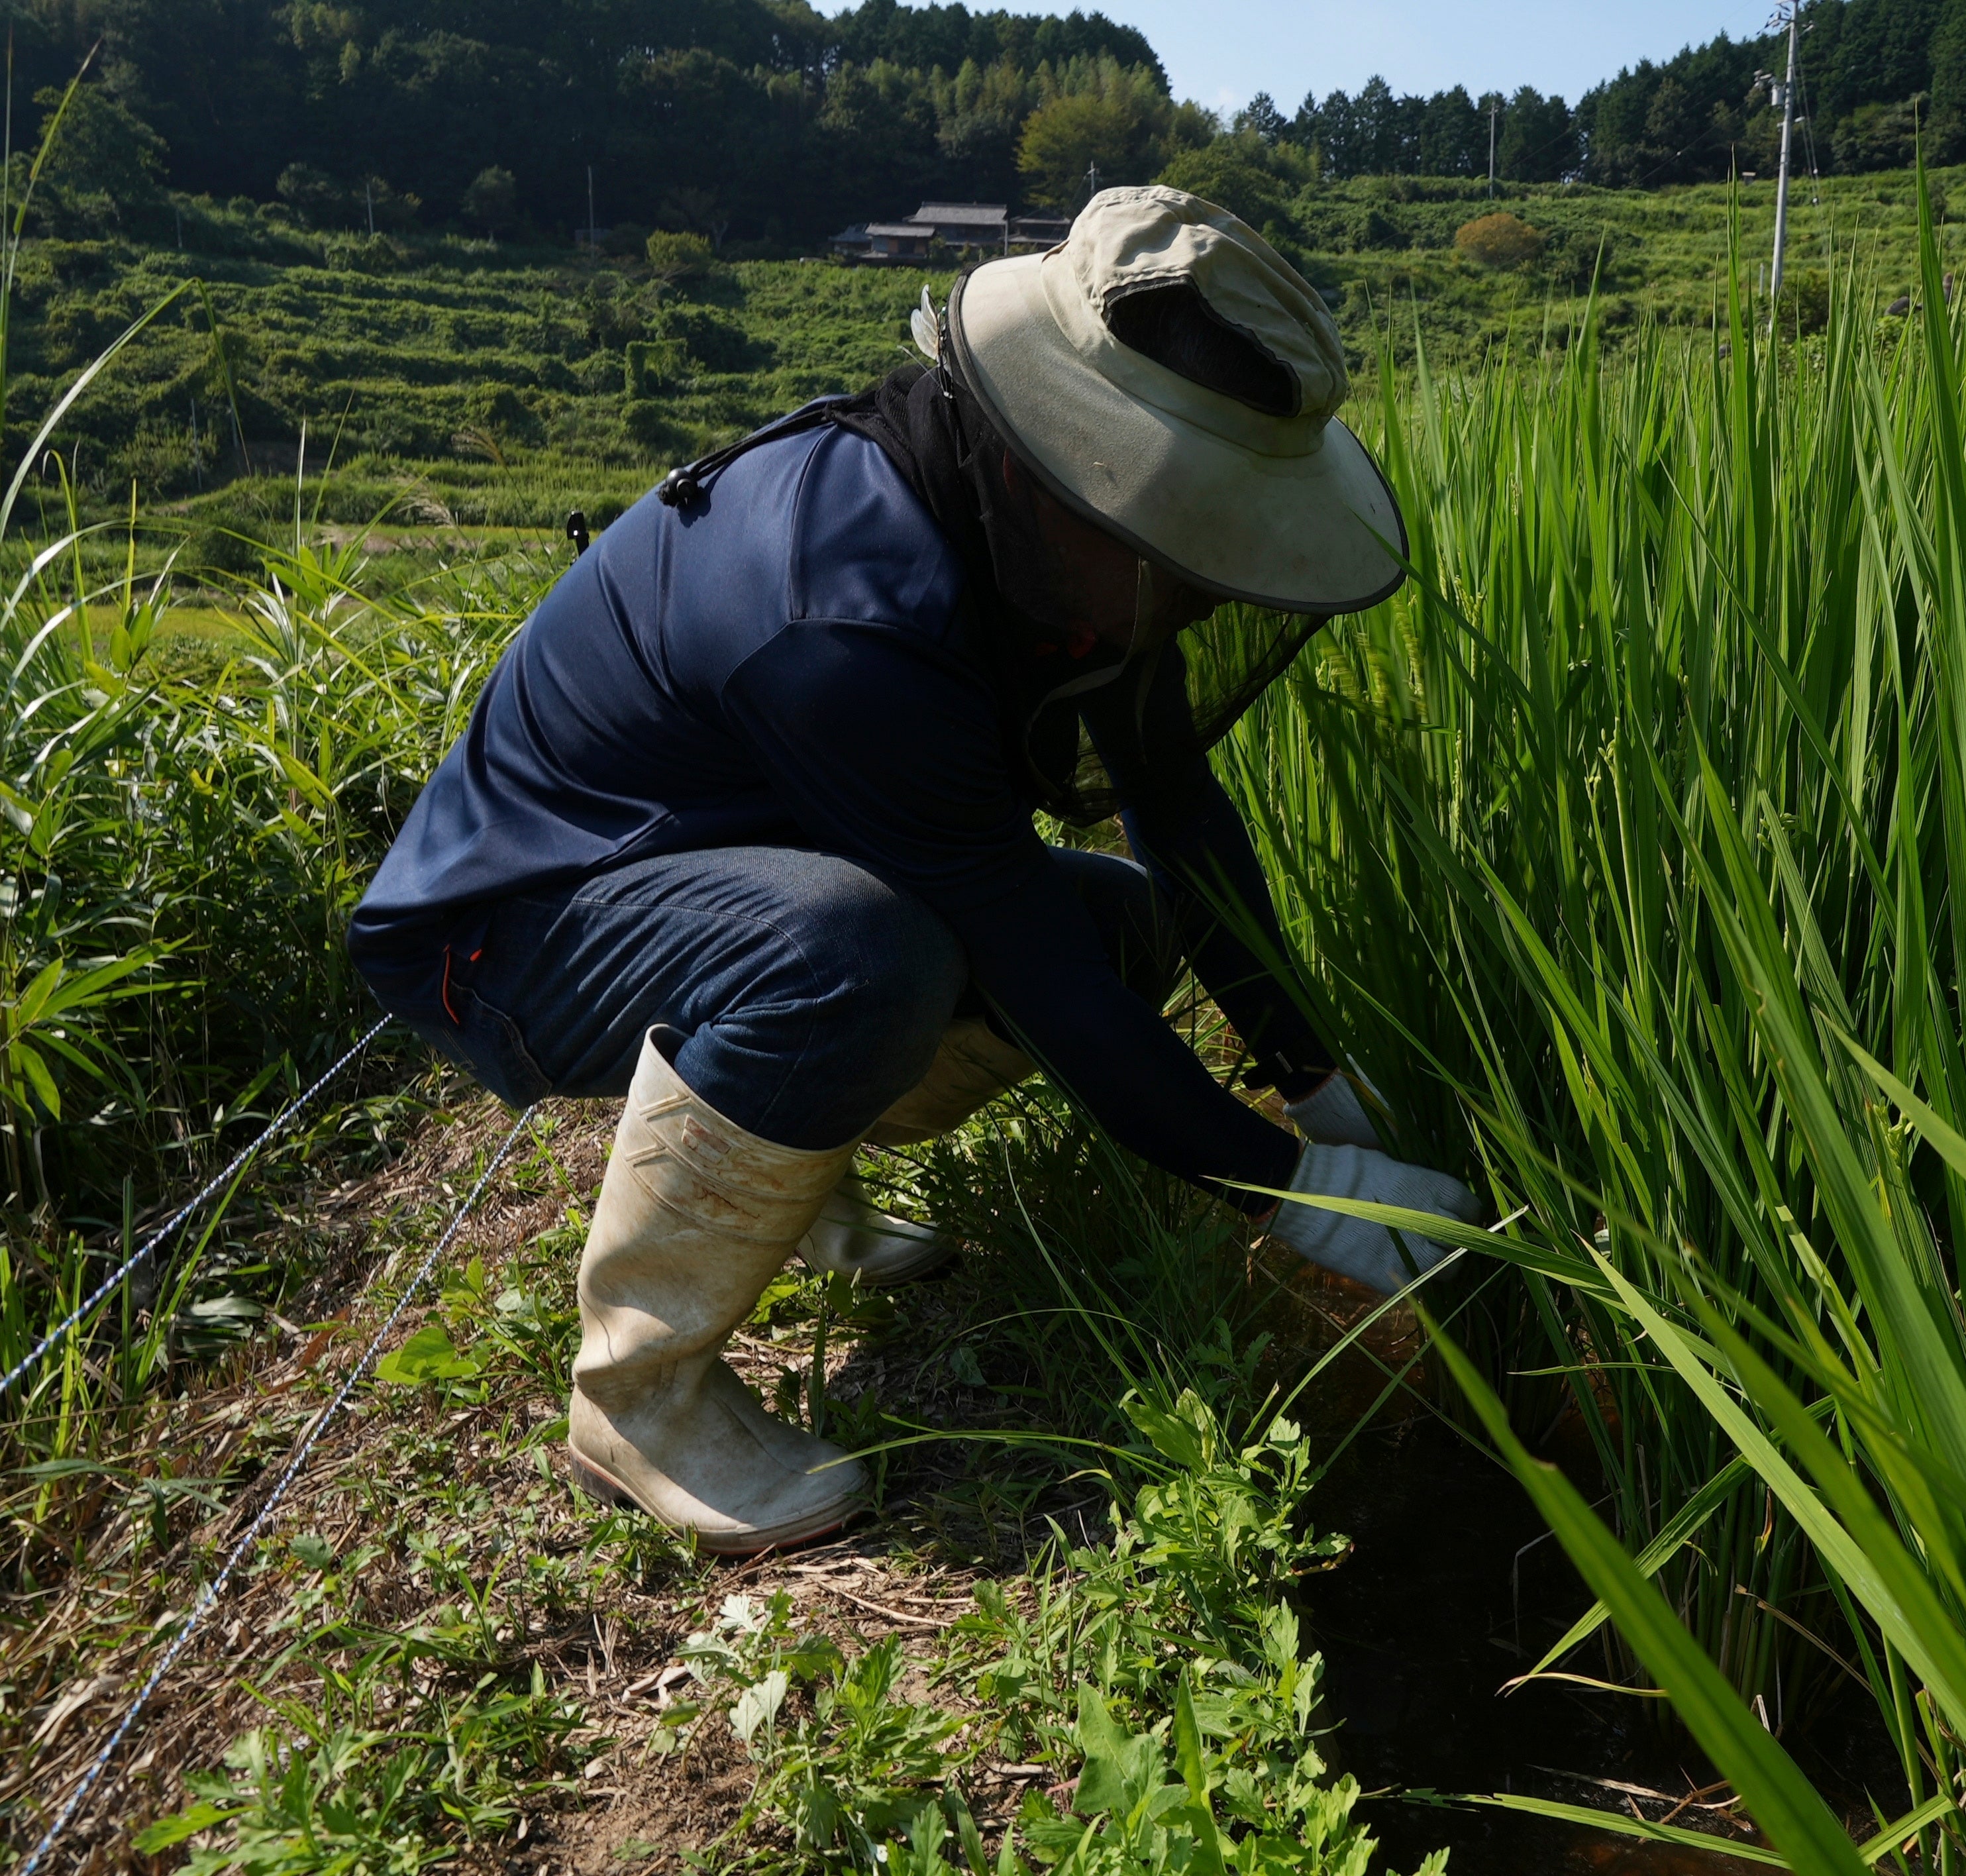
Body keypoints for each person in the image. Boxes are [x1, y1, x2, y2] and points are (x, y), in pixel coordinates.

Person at [349, 189, 1483, 1555]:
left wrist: (1316, 1082)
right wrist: (1296, 1193)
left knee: (1121, 927)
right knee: (857, 956)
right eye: (1173, 532)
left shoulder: (1055, 549)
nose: (1196, 587)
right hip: (512, 929)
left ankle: (799, 1186)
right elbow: (1030, 963)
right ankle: (638, 1400)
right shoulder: (843, 618)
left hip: (722, 867)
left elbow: (1176, 814)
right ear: (1055, 457)